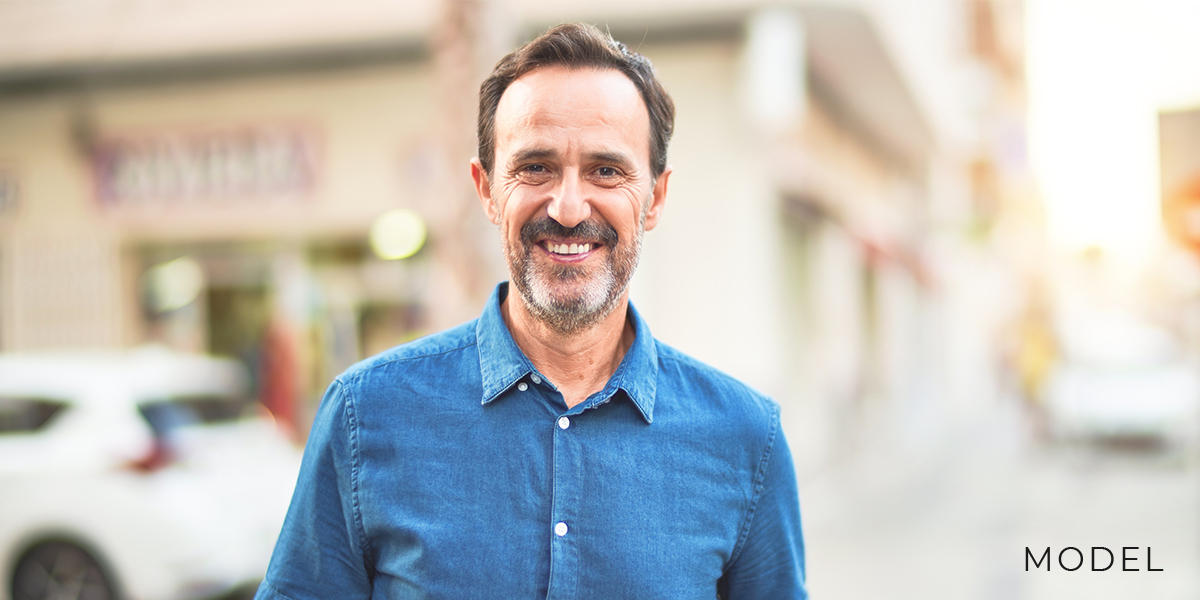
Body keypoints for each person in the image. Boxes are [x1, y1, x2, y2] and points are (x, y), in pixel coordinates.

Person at [256, 23, 807, 599]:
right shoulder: (364, 416)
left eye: (607, 170)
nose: (568, 208)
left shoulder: (746, 439)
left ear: (656, 198)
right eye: (536, 167)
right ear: (487, 189)